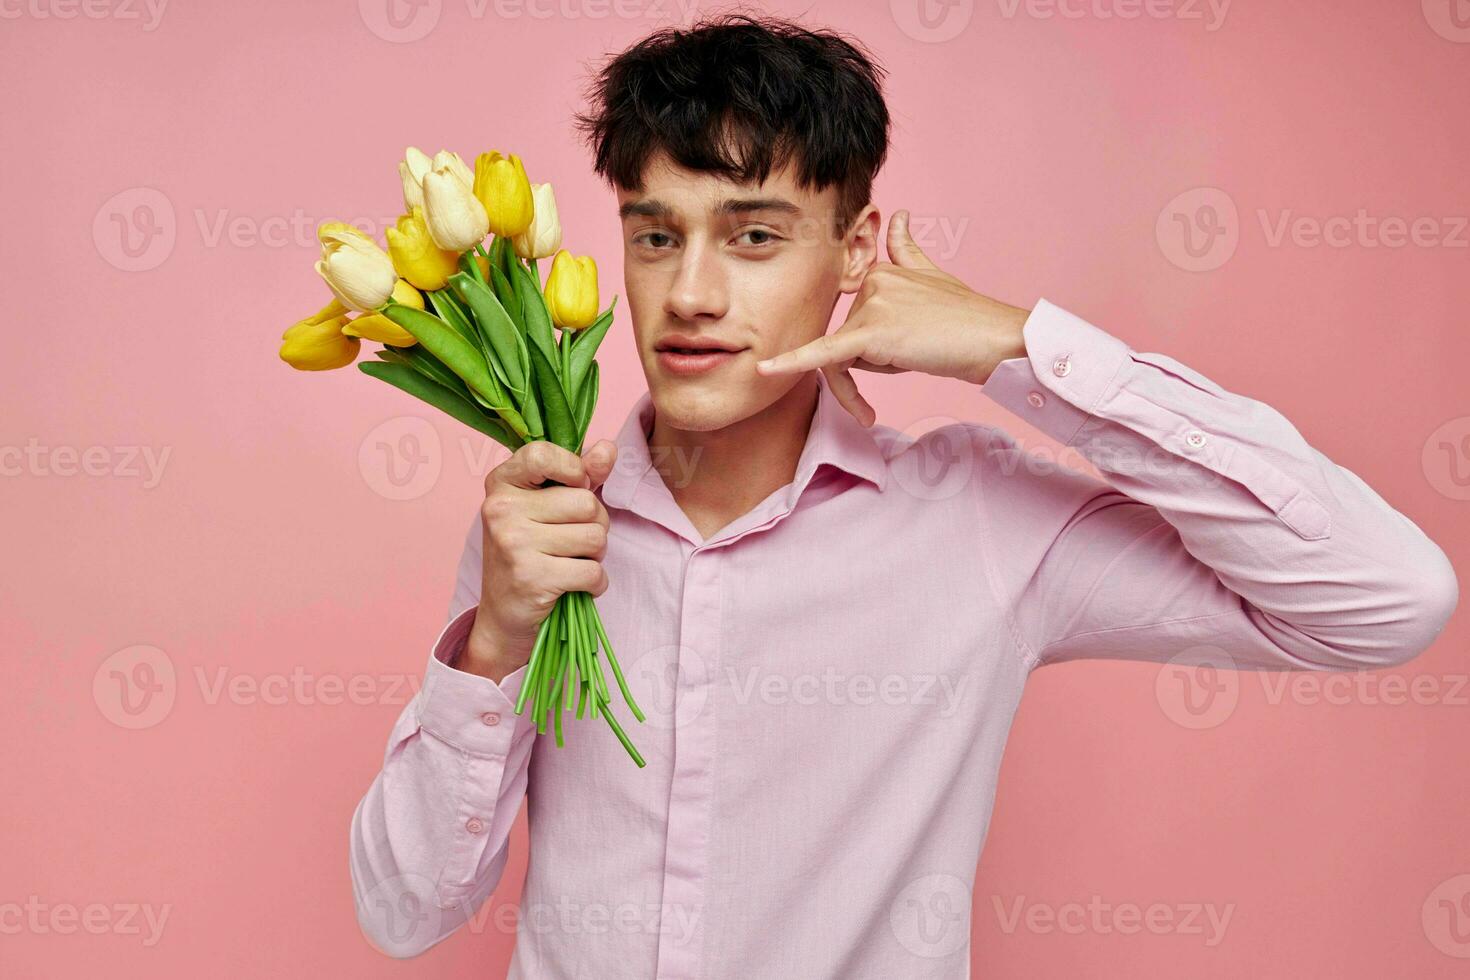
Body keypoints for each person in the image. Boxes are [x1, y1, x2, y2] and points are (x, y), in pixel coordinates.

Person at [349, 13, 1458, 978]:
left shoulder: (976, 522)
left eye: (754, 236)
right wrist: (494, 637)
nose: (688, 293)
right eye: (655, 235)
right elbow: (404, 913)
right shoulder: (542, 525)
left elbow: (1386, 595)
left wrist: (1018, 346)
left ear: (855, 250)